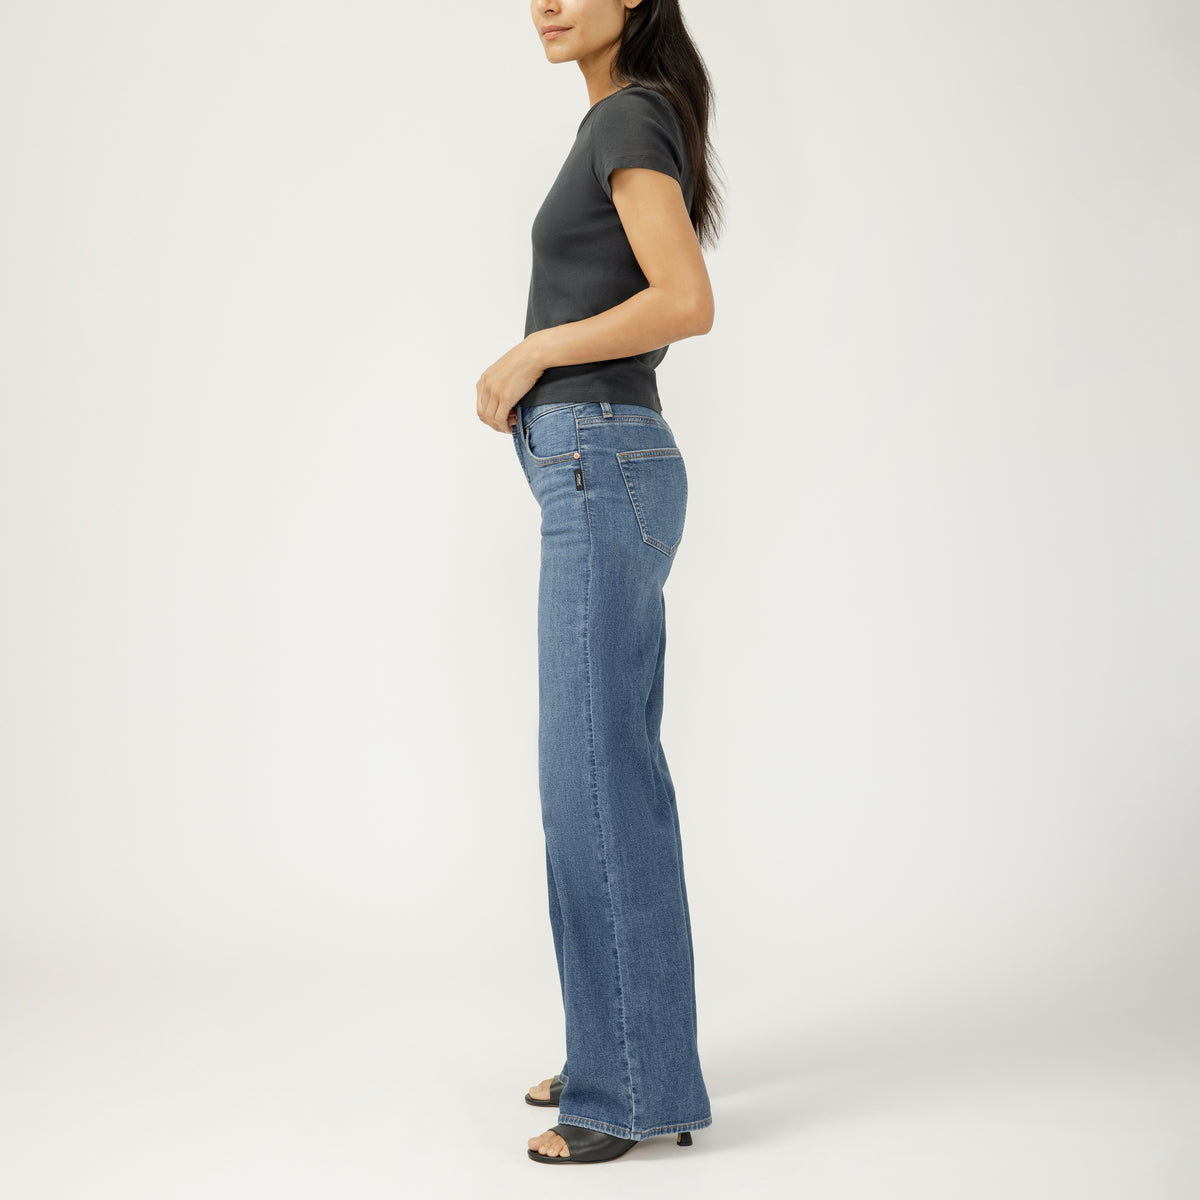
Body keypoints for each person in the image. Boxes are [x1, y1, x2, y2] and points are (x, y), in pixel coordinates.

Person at [475, 0, 725, 1166]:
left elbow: (685, 301)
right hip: (602, 466)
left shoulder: (629, 117)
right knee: (607, 775)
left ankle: (622, 1085)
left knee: (591, 782)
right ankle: (617, 1051)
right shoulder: (626, 119)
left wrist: (532, 351)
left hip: (603, 461)